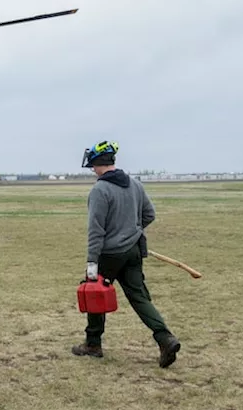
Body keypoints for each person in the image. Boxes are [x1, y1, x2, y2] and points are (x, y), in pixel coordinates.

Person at [72, 140, 181, 367]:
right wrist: (132, 231)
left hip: (109, 254)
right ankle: (164, 338)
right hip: (133, 251)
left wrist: (92, 264)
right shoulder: (134, 184)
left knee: (94, 292)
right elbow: (149, 214)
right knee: (140, 297)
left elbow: (95, 231)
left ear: (96, 162)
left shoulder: (100, 190)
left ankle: (93, 343)